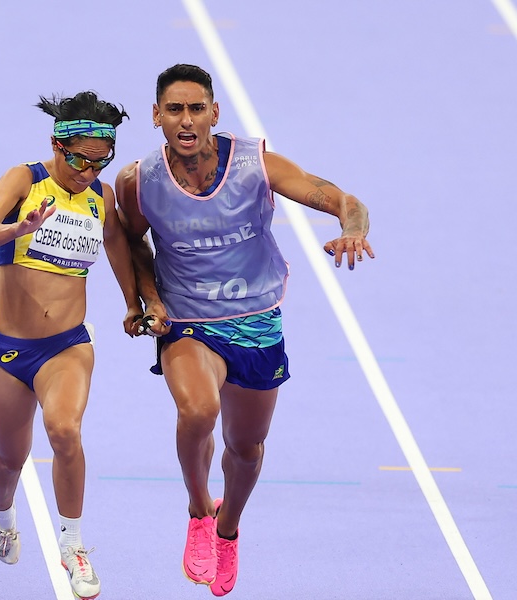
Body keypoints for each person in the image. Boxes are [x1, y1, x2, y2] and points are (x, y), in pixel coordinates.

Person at [114, 63, 374, 597]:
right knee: (197, 411)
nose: (186, 120)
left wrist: (351, 230)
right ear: (156, 116)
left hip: (256, 320)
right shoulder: (139, 181)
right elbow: (134, 242)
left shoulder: (256, 163)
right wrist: (151, 300)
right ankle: (197, 512)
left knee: (247, 447)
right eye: (174, 110)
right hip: (188, 322)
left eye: (195, 109)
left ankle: (228, 526)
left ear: (214, 113)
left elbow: (344, 200)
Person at [0, 91, 139, 598]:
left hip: (66, 347)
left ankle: (73, 546)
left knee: (64, 430)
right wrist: (16, 228)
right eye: (79, 159)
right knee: (7, 461)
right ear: (56, 144)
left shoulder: (99, 197)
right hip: (9, 352)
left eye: (99, 161)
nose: (88, 170)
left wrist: (133, 302)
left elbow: (117, 250)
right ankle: (3, 516)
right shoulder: (24, 180)